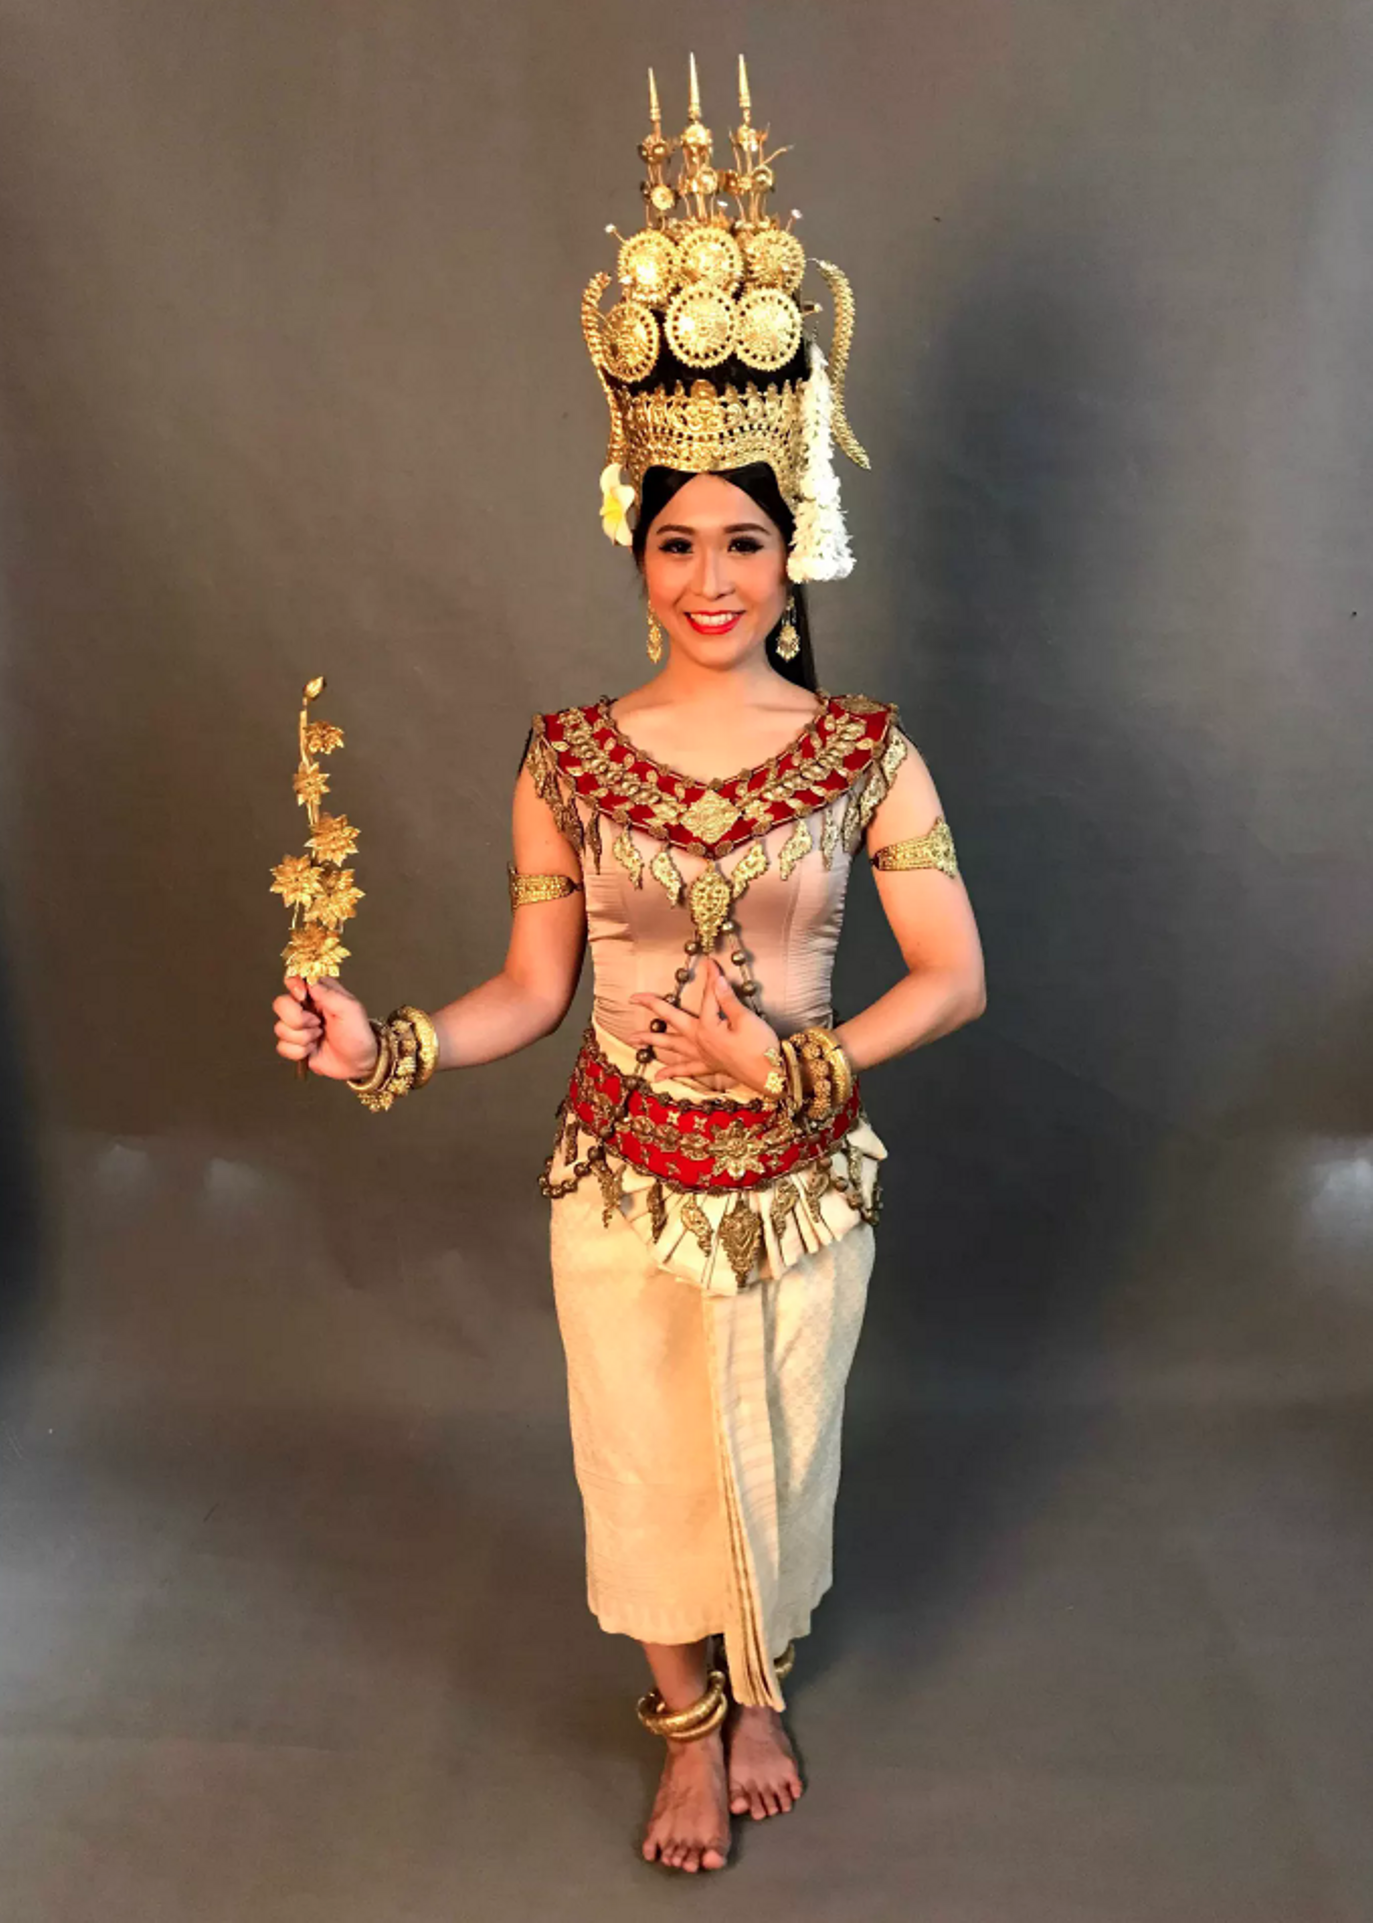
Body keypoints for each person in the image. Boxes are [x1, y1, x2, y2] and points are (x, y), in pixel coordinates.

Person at [271, 54, 986, 1875]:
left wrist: (799, 1068)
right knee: (647, 1459)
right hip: (625, 1176)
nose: (712, 576)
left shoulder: (867, 754)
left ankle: (762, 1684)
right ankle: (684, 1719)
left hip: (801, 1180)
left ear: (795, 545)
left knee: (780, 1454)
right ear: (636, 542)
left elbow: (952, 976)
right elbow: (530, 989)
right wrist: (383, 1044)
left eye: (746, 538)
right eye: (679, 540)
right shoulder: (568, 758)